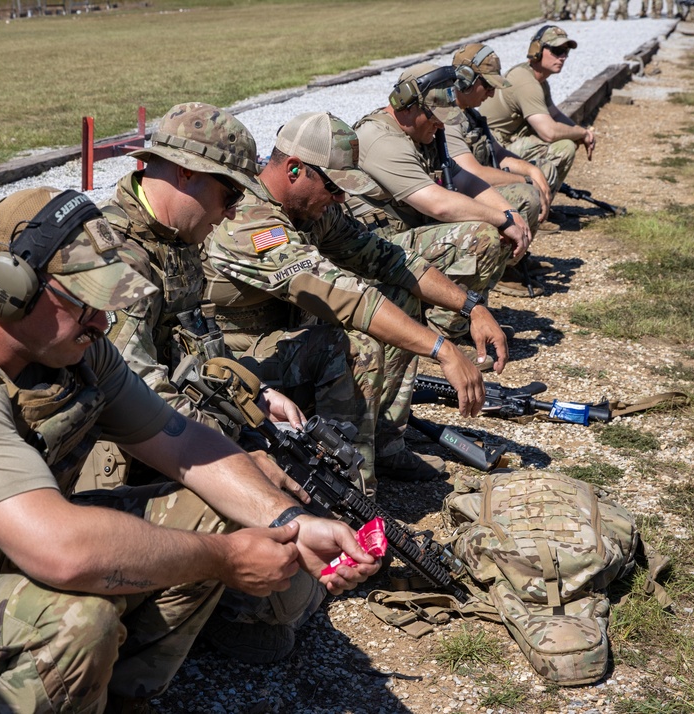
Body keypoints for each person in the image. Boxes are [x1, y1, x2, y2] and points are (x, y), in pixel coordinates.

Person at [0, 186, 379, 713]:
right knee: (78, 624)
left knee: (215, 512)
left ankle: (115, 698)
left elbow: (182, 441)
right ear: (9, 287)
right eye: (82, 301)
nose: (102, 320)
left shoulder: (70, 348)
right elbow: (64, 553)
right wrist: (225, 559)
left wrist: (289, 521)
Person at [89, 102, 344, 664]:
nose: (232, 213)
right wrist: (243, 457)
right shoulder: (117, 258)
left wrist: (256, 396)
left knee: (294, 579)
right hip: (118, 448)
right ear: (183, 173)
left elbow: (196, 346)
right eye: (228, 195)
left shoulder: (174, 241)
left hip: (171, 430)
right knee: (282, 604)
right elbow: (139, 397)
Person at [205, 111, 508, 485]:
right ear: (295, 169)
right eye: (334, 187)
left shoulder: (313, 210)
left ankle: (384, 444)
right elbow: (344, 296)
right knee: (354, 344)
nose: (340, 197)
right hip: (241, 359)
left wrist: (470, 305)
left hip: (291, 339)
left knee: (398, 295)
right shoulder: (250, 221)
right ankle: (350, 484)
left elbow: (389, 259)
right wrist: (443, 349)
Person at [345, 62, 535, 330]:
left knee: (496, 227)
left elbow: (466, 180)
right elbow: (438, 204)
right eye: (434, 115)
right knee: (482, 236)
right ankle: (447, 332)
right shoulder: (380, 139)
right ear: (406, 104)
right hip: (372, 252)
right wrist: (501, 219)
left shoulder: (424, 136)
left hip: (402, 241)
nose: (439, 124)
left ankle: (466, 317)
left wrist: (510, 213)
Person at [438, 43, 555, 295]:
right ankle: (501, 268)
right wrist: (525, 180)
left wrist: (533, 172)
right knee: (525, 195)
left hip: (472, 190)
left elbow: (498, 155)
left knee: (539, 173)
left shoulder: (470, 114)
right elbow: (473, 172)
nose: (491, 94)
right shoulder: (447, 116)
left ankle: (511, 258)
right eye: (488, 86)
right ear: (464, 81)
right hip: (459, 196)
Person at [479, 25, 595, 197]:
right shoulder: (526, 82)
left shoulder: (538, 81)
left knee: (568, 139)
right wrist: (581, 133)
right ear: (537, 51)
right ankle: (535, 203)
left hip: (504, 144)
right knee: (564, 147)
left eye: (566, 52)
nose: (563, 57)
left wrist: (582, 133)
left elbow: (555, 115)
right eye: (557, 50)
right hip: (492, 151)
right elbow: (549, 132)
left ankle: (539, 202)